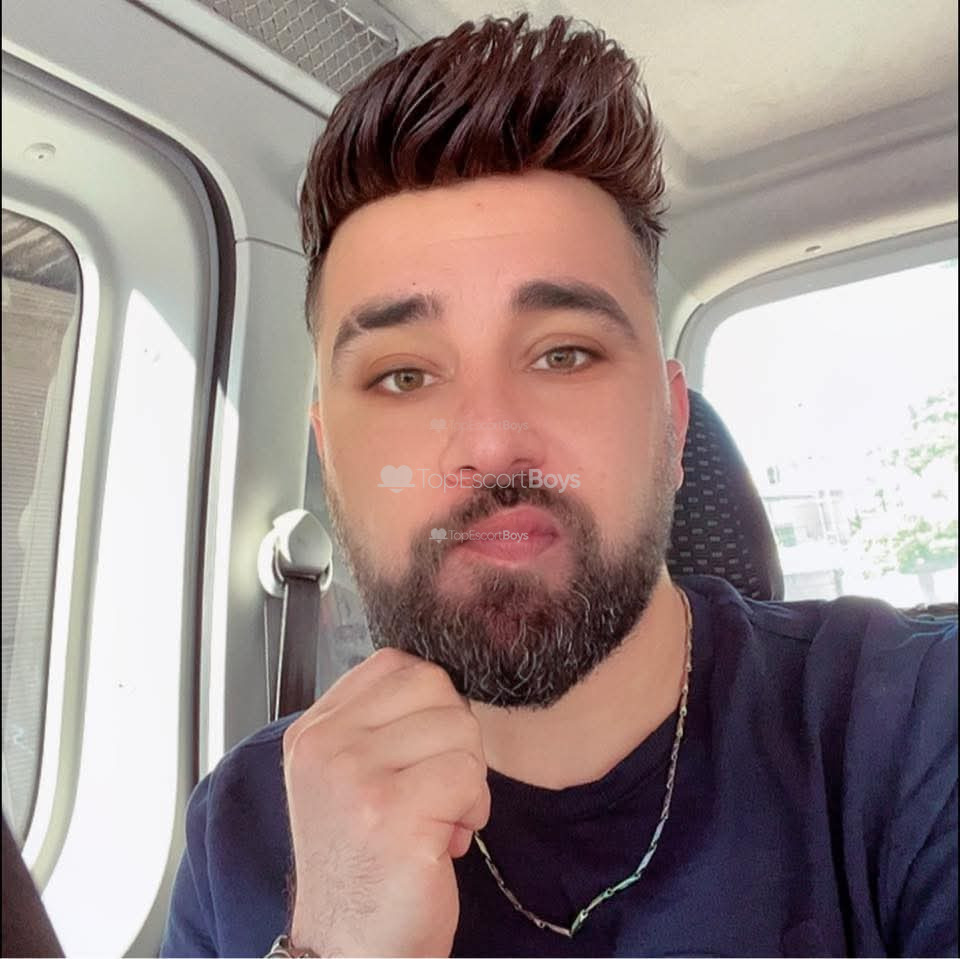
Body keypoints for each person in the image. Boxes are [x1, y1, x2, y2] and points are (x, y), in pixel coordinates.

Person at [160, 14, 958, 958]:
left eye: (564, 353)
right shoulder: (247, 826)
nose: (492, 443)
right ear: (329, 455)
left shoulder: (911, 726)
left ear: (672, 421)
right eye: (404, 375)